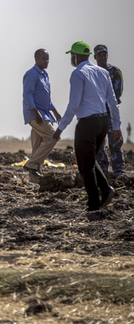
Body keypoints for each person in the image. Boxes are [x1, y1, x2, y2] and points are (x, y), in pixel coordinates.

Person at [53, 41, 121, 211]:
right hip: (103, 122)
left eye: (72, 56)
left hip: (87, 124)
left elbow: (73, 105)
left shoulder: (78, 73)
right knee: (89, 160)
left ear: (75, 56)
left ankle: (94, 203)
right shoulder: (103, 72)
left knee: (85, 166)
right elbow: (112, 101)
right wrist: (117, 125)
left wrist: (60, 127)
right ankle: (106, 190)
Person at [22, 49, 62, 178]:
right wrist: (35, 112)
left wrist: (55, 112)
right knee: (52, 136)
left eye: (48, 59)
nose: (46, 61)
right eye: (44, 59)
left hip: (44, 113)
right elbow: (27, 95)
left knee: (38, 146)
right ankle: (31, 164)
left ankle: (34, 180)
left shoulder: (45, 75)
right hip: (35, 114)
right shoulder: (32, 74)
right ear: (36, 59)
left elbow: (46, 98)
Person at [94, 44, 124, 175]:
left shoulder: (115, 72)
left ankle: (118, 170)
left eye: (104, 54)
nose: (102, 57)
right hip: (97, 113)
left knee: (115, 143)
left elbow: (117, 94)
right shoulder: (92, 72)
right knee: (99, 145)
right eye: (100, 55)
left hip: (111, 113)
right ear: (95, 57)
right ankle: (102, 170)